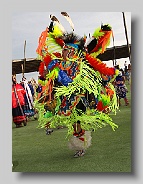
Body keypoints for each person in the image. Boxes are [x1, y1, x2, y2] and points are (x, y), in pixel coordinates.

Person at [34, 12, 119, 158]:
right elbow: (49, 74)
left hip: (79, 98)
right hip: (65, 99)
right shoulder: (59, 63)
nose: (64, 51)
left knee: (77, 122)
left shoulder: (80, 64)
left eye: (67, 50)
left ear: (73, 51)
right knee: (73, 123)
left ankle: (81, 146)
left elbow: (90, 75)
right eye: (64, 49)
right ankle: (79, 144)